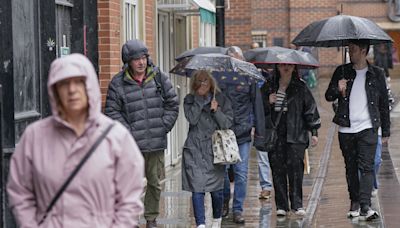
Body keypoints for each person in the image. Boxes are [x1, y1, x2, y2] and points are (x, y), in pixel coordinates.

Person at [7, 54, 145, 227]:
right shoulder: (34, 137)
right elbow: (20, 192)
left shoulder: (116, 137)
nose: (72, 89)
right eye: (64, 83)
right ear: (54, 90)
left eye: (79, 81)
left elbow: (130, 198)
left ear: (90, 86)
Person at [105, 39, 179, 228]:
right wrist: (128, 133)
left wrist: (163, 126)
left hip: (155, 143)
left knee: (154, 183)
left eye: (144, 57)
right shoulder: (118, 83)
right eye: (136, 59)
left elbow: (172, 104)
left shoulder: (158, 77)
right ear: (128, 62)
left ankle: (151, 218)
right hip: (131, 146)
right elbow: (112, 112)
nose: (141, 62)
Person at [325, 39, 390, 221]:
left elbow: (383, 104)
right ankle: (354, 202)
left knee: (367, 167)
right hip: (346, 129)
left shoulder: (377, 73)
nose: (350, 52)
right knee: (351, 168)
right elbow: (328, 96)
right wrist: (338, 89)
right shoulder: (342, 71)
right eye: (349, 49)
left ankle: (365, 206)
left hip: (368, 127)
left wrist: (385, 131)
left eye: (353, 49)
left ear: (363, 50)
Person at [261, 63, 320, 217]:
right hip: (276, 133)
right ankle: (281, 205)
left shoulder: (300, 87)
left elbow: (310, 109)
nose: (286, 67)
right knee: (277, 169)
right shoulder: (269, 86)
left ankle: (297, 204)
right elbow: (258, 109)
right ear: (277, 67)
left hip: (296, 132)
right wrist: (268, 101)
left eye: (289, 65)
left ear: (294, 68)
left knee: (296, 170)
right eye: (282, 65)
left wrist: (314, 131)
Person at [182, 70, 233, 228]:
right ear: (194, 84)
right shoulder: (189, 100)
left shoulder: (221, 98)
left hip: (214, 150)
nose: (203, 84)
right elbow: (191, 118)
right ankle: (201, 224)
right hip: (195, 149)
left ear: (211, 82)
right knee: (197, 188)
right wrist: (198, 100)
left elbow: (227, 124)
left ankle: (217, 219)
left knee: (216, 190)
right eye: (199, 81)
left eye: (205, 81)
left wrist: (216, 110)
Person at [221, 46, 265, 224]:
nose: (234, 64)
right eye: (231, 61)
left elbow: (257, 105)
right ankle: (224, 200)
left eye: (237, 60)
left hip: (243, 133)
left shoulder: (249, 79)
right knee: (222, 172)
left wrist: (260, 132)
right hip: (223, 133)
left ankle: (238, 209)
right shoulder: (218, 79)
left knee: (241, 173)